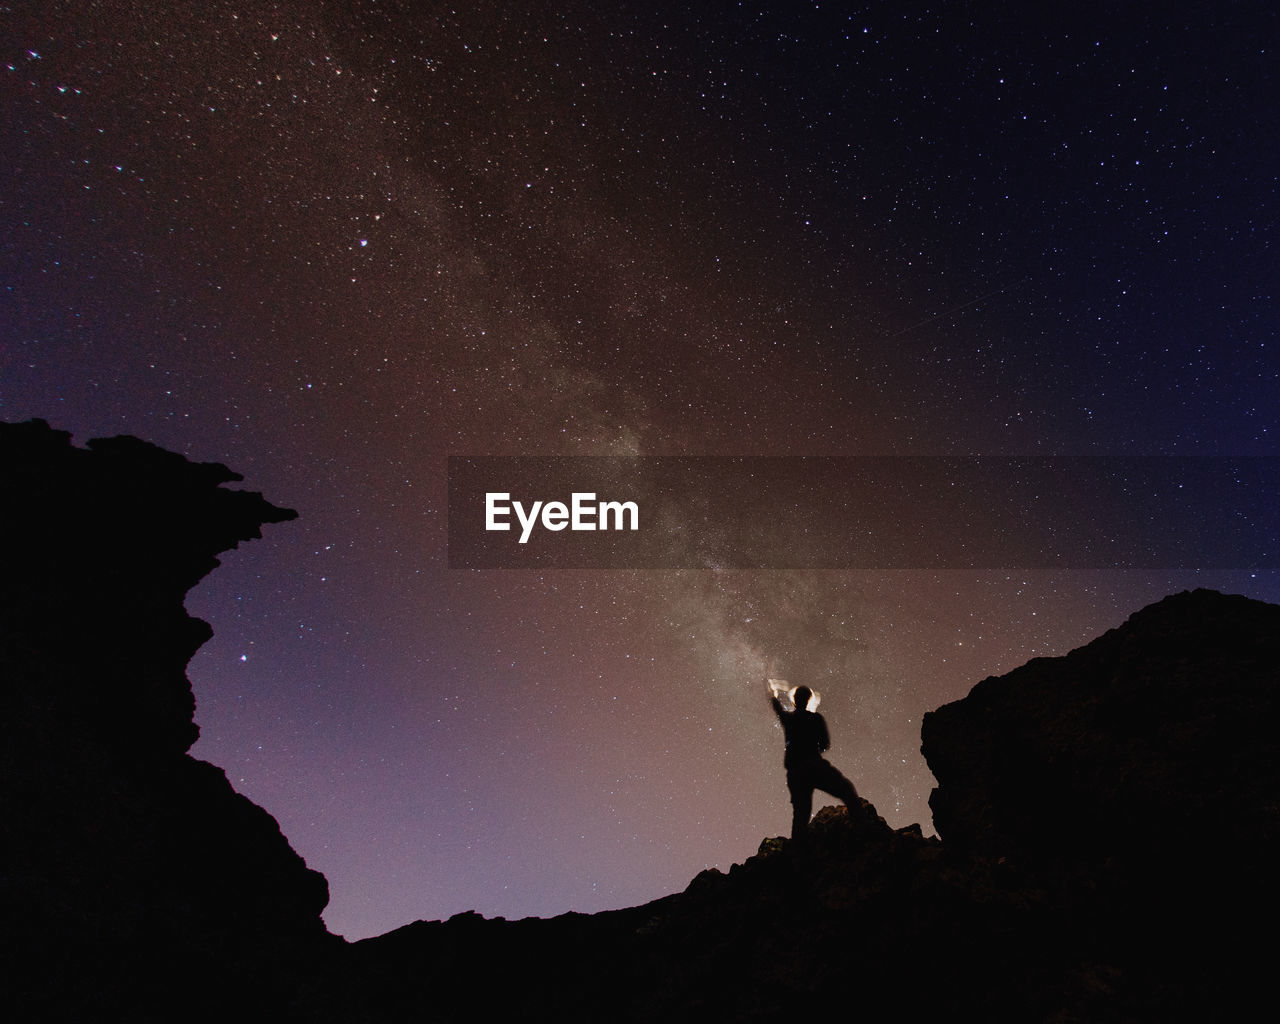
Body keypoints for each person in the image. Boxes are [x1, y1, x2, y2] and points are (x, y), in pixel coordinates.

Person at [769, 683, 860, 841]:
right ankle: (862, 831)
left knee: (800, 816)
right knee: (847, 791)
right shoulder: (816, 719)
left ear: (794, 701)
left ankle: (798, 858)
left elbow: (777, 707)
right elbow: (825, 744)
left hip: (795, 773)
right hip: (814, 765)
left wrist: (772, 692)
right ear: (808, 700)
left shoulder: (789, 719)